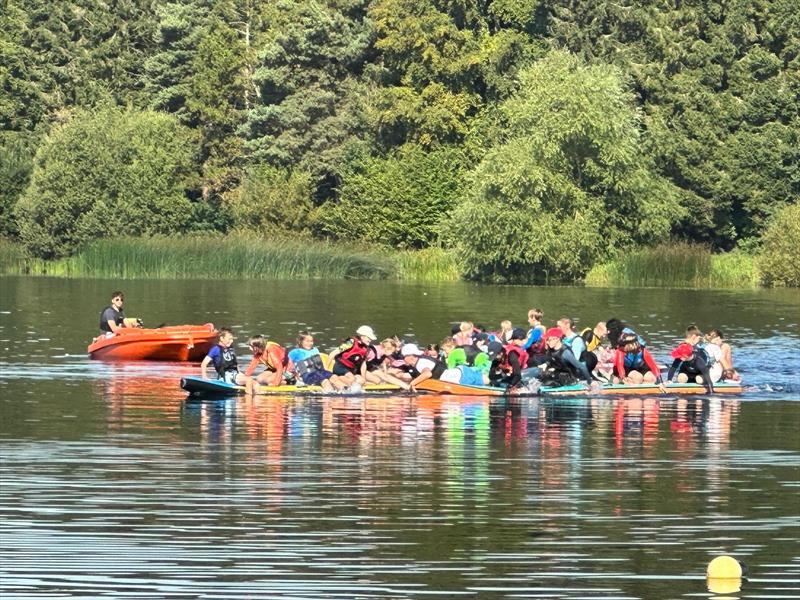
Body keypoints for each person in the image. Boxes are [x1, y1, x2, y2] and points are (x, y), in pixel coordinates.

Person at [523, 327, 594, 388]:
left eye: (549, 340)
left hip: (569, 377)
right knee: (541, 374)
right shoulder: (551, 350)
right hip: (558, 374)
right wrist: (546, 364)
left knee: (550, 377)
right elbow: (552, 360)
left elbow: (581, 367)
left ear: (556, 339)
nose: (547, 342)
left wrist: (589, 382)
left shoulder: (566, 353)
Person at [666, 325, 715, 392]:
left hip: (700, 373)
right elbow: (674, 366)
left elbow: (707, 372)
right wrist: (669, 380)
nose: (699, 340)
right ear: (694, 336)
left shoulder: (698, 355)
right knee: (681, 378)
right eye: (699, 338)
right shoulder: (683, 348)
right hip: (687, 372)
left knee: (699, 379)